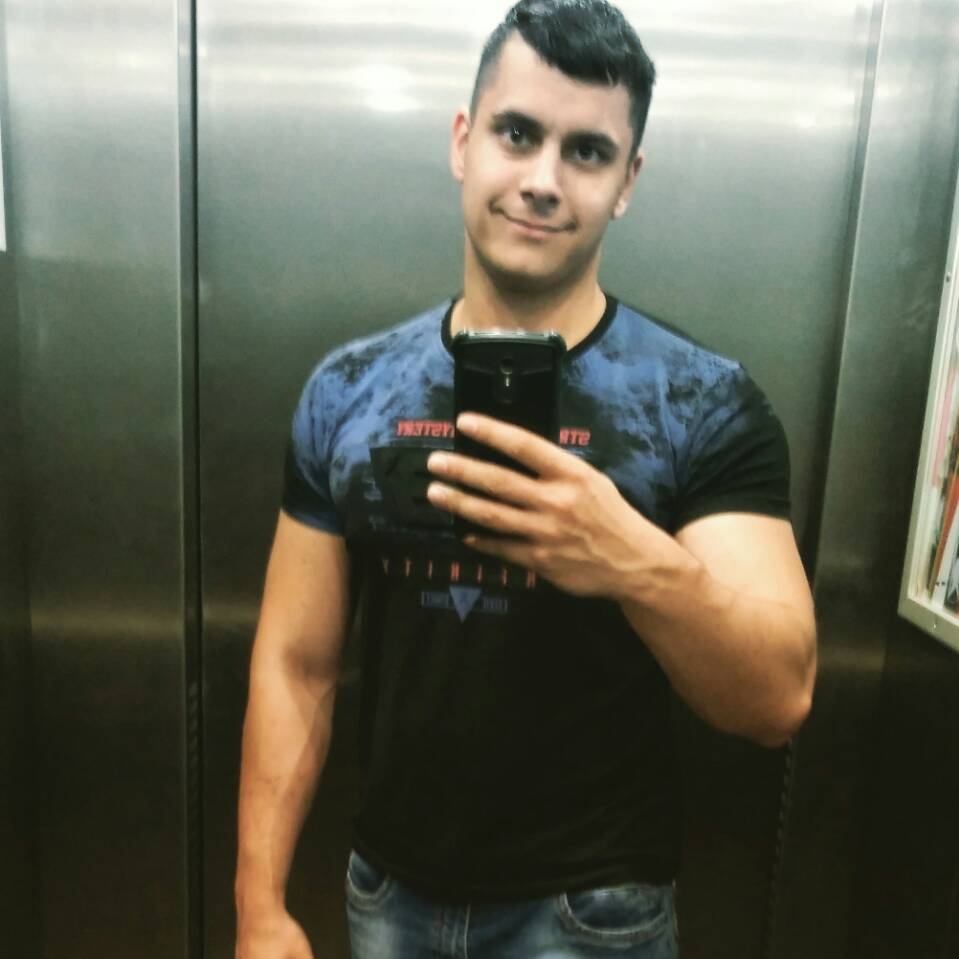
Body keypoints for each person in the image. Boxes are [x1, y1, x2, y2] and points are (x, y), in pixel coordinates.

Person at [234, 1, 818, 957]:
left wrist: (629, 559)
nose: (543, 180)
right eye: (516, 134)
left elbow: (775, 698)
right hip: (387, 899)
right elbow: (296, 663)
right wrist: (258, 905)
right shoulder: (347, 390)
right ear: (462, 142)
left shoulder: (701, 402)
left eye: (586, 151)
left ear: (627, 182)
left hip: (594, 915)